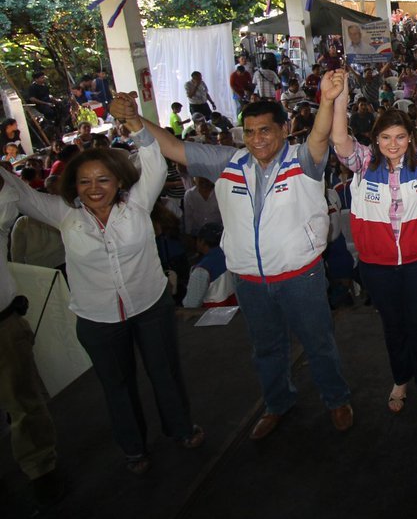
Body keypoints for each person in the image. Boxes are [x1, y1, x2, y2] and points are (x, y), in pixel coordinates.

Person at [110, 86, 355, 440]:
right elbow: (172, 147)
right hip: (250, 281)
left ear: (284, 129)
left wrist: (329, 99)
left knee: (319, 343)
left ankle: (336, 399)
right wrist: (134, 119)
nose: (257, 140)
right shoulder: (228, 162)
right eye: (251, 132)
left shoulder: (304, 161)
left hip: (301, 276)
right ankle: (277, 403)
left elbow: (319, 133)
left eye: (265, 130)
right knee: (266, 348)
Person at [0, 104, 204, 474]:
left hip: (150, 306)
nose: (94, 188)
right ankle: (133, 448)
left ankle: (181, 428)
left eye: (103, 179)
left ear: (120, 182)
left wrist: (134, 123)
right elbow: (21, 196)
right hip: (97, 319)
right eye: (85, 181)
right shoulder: (64, 216)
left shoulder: (138, 205)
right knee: (117, 386)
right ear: (74, 185)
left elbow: (155, 161)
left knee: (165, 373)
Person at [318, 65, 417, 416]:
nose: (393, 144)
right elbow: (339, 140)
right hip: (377, 266)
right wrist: (339, 100)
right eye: (386, 138)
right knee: (392, 325)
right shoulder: (364, 164)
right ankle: (401, 378)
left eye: (400, 137)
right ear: (376, 141)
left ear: (410, 138)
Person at [0, 178, 65, 507]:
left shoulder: (5, 182)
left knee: (23, 401)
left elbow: (44, 207)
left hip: (3, 321)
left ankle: (41, 470)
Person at [181, 223, 236, 309]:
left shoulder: (202, 270)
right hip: (234, 313)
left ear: (202, 241)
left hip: (212, 316)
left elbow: (191, 304)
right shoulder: (231, 256)